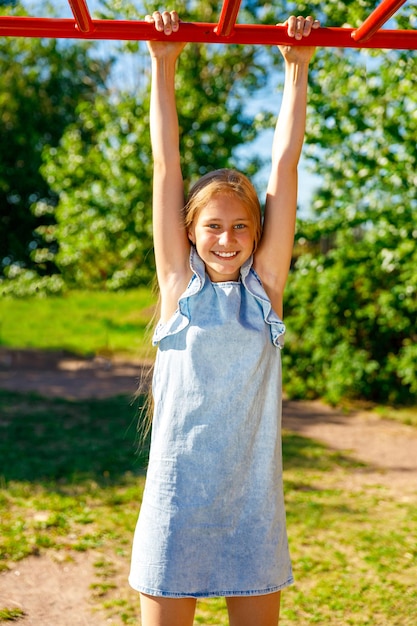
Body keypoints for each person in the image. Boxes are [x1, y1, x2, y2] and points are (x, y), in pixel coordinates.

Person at [129, 11, 319, 626]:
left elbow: (284, 171)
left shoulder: (265, 289)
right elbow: (167, 168)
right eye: (213, 225)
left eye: (242, 226)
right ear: (190, 232)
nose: (228, 237)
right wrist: (163, 62)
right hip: (176, 502)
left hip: (250, 505)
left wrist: (296, 70)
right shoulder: (177, 284)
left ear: (258, 235)